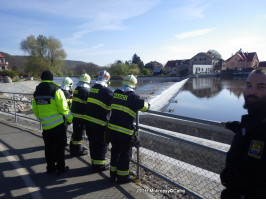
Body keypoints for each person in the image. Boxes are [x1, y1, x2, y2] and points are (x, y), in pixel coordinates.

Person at [220, 67, 266, 198]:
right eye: (248, 85)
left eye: (261, 86)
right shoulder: (257, 117)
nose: (252, 91)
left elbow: (250, 169)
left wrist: (225, 177)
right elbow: (249, 127)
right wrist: (230, 125)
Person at [107, 74, 150, 183]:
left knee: (115, 151)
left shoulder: (116, 93)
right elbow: (145, 106)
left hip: (112, 129)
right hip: (125, 131)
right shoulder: (134, 97)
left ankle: (113, 174)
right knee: (125, 154)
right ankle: (122, 177)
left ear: (124, 82)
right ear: (134, 85)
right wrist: (148, 105)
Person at [32, 70, 73, 175]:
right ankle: (60, 168)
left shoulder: (37, 91)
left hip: (45, 126)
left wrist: (40, 118)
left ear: (41, 78)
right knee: (59, 147)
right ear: (52, 79)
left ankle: (50, 168)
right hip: (57, 125)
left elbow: (35, 108)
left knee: (48, 147)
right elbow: (64, 108)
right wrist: (70, 119)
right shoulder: (56, 90)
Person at [84, 70, 113, 171]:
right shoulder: (107, 91)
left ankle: (94, 163)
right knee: (101, 144)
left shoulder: (92, 89)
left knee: (92, 143)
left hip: (88, 122)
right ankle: (100, 166)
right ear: (107, 79)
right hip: (99, 123)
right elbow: (115, 103)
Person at [70, 73, 91, 156]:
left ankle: (73, 149)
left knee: (75, 133)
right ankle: (77, 151)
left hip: (74, 115)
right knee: (79, 135)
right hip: (81, 117)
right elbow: (89, 104)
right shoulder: (85, 91)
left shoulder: (77, 88)